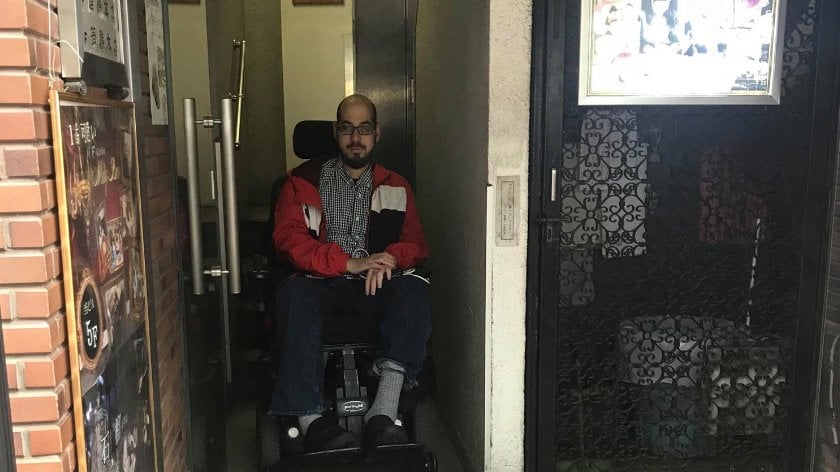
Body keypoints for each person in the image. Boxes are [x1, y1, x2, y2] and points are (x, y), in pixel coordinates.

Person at [268, 94, 432, 452]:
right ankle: (310, 419)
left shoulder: (396, 186)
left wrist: (389, 257)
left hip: (376, 285)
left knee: (414, 289)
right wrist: (348, 263)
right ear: (335, 131)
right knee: (293, 293)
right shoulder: (300, 183)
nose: (356, 138)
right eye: (347, 128)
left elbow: (415, 243)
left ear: (377, 133)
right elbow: (289, 240)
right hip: (320, 283)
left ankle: (383, 412)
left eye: (364, 128)